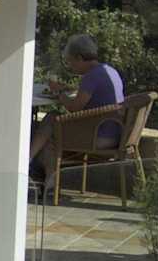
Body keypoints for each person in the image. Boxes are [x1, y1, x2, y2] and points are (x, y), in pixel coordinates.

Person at [32, 33, 126, 177]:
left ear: (79, 58)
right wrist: (67, 89)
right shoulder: (109, 70)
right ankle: (48, 181)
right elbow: (92, 95)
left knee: (51, 120)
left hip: (98, 137)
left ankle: (27, 162)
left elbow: (74, 108)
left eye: (70, 61)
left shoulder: (91, 76)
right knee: (51, 134)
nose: (70, 67)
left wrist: (58, 92)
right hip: (114, 133)